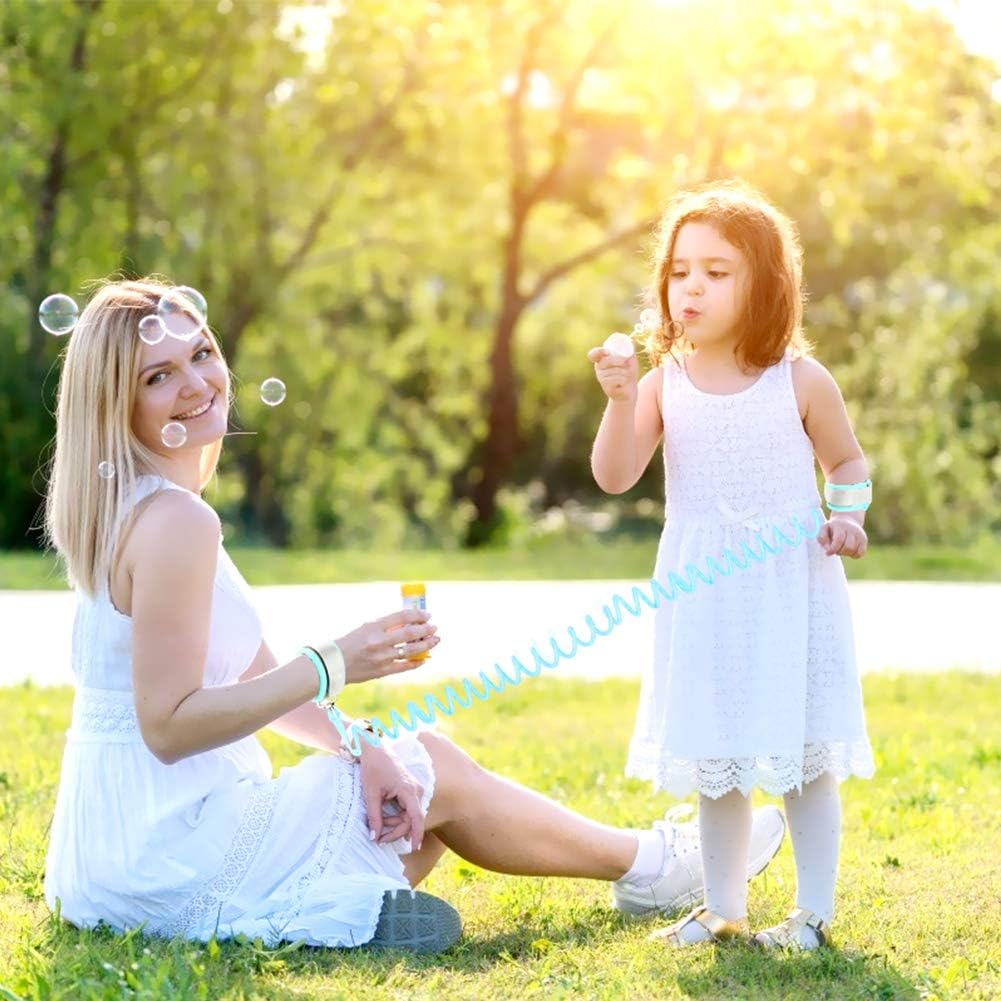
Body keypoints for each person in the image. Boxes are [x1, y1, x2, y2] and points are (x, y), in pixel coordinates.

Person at [42, 278, 786, 955]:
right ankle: (649, 866)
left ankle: (347, 909)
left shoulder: (143, 507)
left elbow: (252, 674)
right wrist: (337, 660)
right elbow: (168, 727)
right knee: (431, 769)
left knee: (399, 794)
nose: (197, 382)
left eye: (200, 353)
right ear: (118, 404)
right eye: (158, 374)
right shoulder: (177, 524)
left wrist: (361, 745)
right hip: (164, 850)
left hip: (111, 856)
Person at [588, 181, 875, 950]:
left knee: (804, 756)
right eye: (681, 270)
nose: (692, 286)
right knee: (716, 754)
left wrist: (846, 514)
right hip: (703, 591)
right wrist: (618, 399)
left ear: (764, 285)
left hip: (789, 584)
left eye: (717, 272)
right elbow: (614, 475)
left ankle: (810, 915)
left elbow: (845, 460)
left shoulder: (800, 380)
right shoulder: (663, 384)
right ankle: (723, 909)